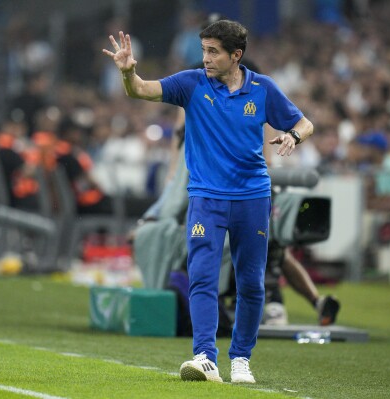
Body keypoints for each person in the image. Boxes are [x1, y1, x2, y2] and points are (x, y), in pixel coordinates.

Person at [103, 20, 314, 383]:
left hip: (252, 198)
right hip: (205, 199)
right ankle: (204, 357)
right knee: (202, 278)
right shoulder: (190, 83)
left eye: (213, 51)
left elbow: (305, 123)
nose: (205, 58)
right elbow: (140, 90)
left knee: (251, 283)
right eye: (203, 50)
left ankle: (242, 360)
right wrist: (128, 73)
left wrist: (294, 135)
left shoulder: (263, 89)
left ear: (236, 55)